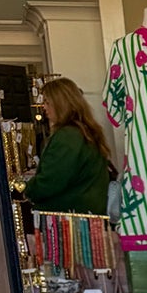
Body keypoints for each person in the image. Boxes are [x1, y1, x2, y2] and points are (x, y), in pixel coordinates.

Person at [23, 76, 114, 215]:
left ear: (60, 104)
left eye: (47, 102)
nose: (44, 107)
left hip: (72, 219)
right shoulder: (84, 131)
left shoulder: (68, 136)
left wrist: (25, 189)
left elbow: (50, 181)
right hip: (88, 213)